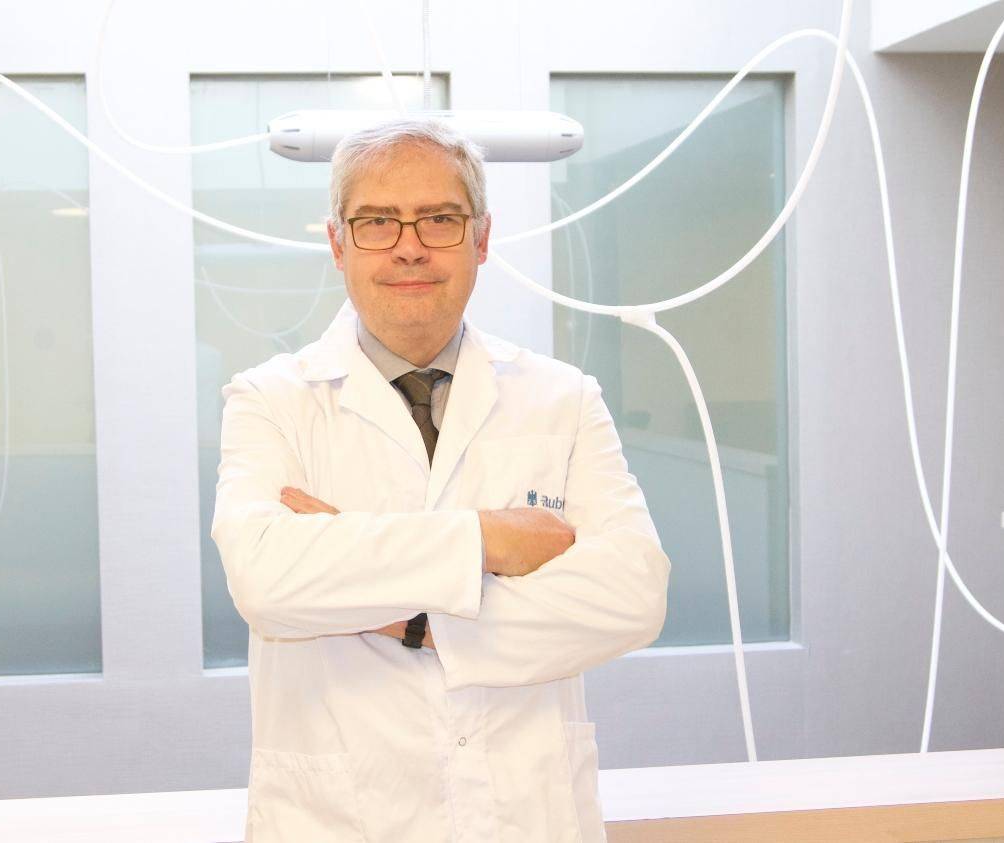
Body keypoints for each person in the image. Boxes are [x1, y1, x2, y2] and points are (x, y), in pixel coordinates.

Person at [210, 117, 671, 843]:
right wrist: (485, 540)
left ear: (481, 239)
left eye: (440, 219)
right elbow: (266, 581)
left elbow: (633, 594)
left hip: (525, 817)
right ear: (337, 243)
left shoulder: (564, 399)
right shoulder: (270, 400)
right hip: (340, 820)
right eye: (376, 222)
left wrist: (411, 621)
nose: (409, 245)